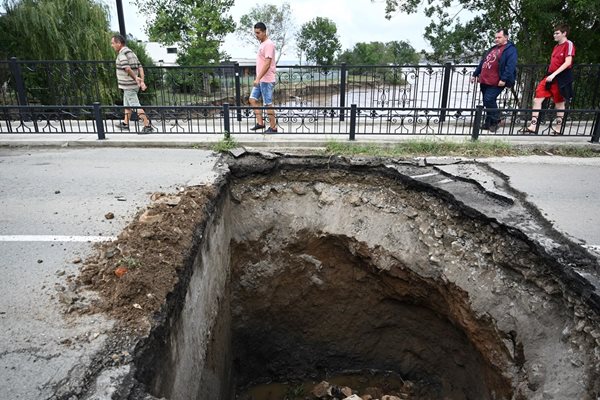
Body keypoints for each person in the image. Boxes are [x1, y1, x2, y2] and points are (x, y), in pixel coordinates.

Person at [525, 24, 575, 135]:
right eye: (554, 33)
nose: (555, 35)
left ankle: (558, 128)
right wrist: (550, 75)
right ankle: (533, 125)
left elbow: (568, 62)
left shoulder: (568, 44)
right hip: (550, 76)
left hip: (561, 77)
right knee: (537, 98)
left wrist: (555, 74)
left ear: (564, 33)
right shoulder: (556, 47)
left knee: (559, 103)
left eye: (557, 33)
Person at [471, 28, 518, 132]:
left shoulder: (510, 49)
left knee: (489, 99)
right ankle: (488, 123)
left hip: (497, 81)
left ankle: (496, 120)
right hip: (485, 80)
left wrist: (504, 79)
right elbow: (483, 62)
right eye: (496, 37)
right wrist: (475, 74)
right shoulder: (493, 49)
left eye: (499, 37)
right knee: (487, 101)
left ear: (506, 37)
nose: (496, 39)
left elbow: (510, 66)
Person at [110, 34, 153, 134]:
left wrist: (136, 78)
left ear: (119, 43)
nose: (112, 45)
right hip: (132, 85)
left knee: (135, 105)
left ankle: (147, 125)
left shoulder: (122, 55)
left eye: (113, 43)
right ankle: (125, 124)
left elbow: (127, 68)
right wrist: (141, 81)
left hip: (128, 85)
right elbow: (140, 67)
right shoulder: (131, 53)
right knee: (127, 105)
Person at [248, 22, 277, 133]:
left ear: (264, 32)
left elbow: (267, 63)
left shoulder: (268, 44)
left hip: (266, 80)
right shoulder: (262, 44)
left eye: (258, 33)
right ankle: (260, 123)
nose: (256, 35)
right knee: (252, 100)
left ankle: (273, 128)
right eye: (255, 33)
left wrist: (258, 78)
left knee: (267, 103)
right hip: (261, 79)